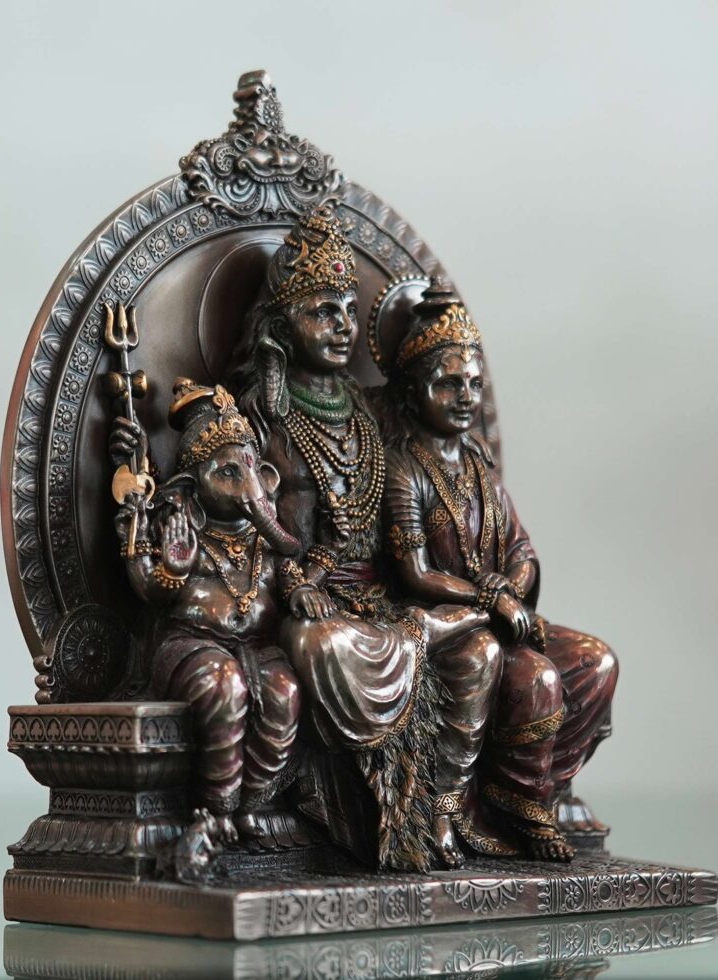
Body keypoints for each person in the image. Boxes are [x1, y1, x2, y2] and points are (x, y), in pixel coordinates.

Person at [229, 204, 502, 870]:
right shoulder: (258, 413)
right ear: (281, 325)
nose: (342, 326)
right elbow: (234, 514)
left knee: (480, 653)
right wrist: (291, 578)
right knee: (323, 645)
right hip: (301, 599)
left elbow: (429, 465)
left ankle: (441, 811)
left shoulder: (370, 407)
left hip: (383, 594)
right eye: (323, 312)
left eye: (349, 311)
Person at [380, 280, 618, 861]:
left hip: (501, 615)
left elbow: (521, 550)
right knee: (534, 677)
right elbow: (415, 573)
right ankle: (501, 806)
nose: (464, 397)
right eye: (448, 383)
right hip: (450, 627)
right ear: (412, 390)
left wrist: (510, 588)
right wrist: (489, 600)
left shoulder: (478, 465)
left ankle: (544, 792)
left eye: (473, 384)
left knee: (595, 662)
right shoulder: (405, 469)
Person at [112, 380, 301, 846]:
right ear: (192, 488)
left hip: (259, 648)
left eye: (251, 470)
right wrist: (173, 569)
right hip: (191, 644)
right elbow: (150, 590)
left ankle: (251, 802)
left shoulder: (262, 537)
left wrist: (302, 591)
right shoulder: (182, 526)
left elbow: (291, 571)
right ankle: (217, 807)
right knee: (223, 684)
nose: (246, 484)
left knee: (286, 692)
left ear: (266, 477)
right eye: (228, 473)